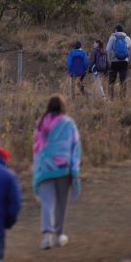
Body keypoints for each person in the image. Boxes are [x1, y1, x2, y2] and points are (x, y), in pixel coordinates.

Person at [32, 94, 81, 250]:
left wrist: (37, 166)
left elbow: (36, 148)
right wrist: (75, 169)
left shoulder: (41, 124)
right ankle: (59, 236)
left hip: (45, 168)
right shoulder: (68, 123)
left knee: (47, 203)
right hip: (63, 168)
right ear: (62, 107)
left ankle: (47, 237)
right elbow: (76, 148)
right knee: (61, 203)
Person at [105, 25, 131, 99]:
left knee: (111, 81)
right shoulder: (128, 38)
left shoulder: (112, 37)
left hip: (114, 62)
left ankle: (111, 98)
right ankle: (123, 98)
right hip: (124, 62)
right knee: (123, 81)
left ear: (116, 30)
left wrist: (108, 61)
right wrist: (129, 59)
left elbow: (107, 50)